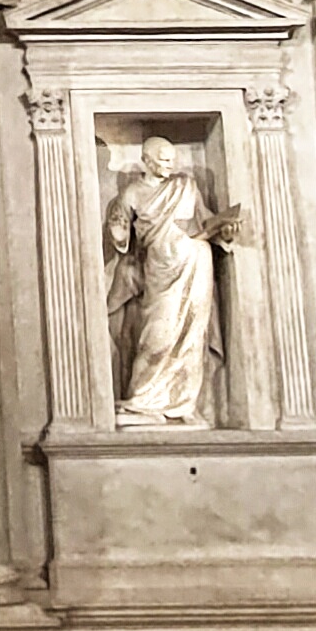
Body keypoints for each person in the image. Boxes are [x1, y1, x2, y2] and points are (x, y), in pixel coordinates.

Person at [107, 138, 237, 428]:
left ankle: (184, 403)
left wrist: (225, 230)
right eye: (164, 160)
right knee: (157, 335)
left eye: (172, 160)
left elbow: (205, 224)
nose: (170, 165)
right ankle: (140, 401)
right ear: (147, 160)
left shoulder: (186, 186)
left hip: (196, 267)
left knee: (193, 337)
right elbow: (122, 238)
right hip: (160, 272)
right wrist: (117, 231)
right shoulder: (132, 193)